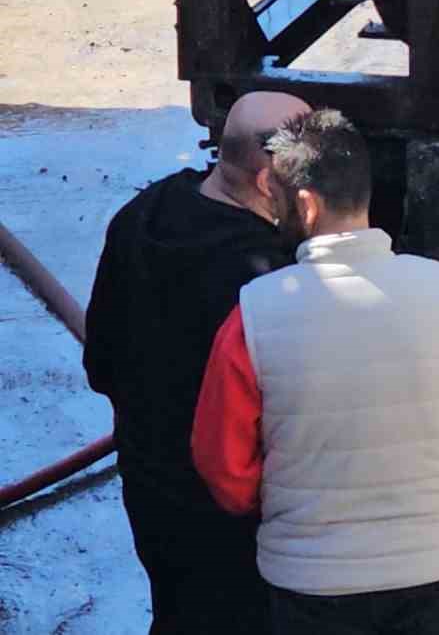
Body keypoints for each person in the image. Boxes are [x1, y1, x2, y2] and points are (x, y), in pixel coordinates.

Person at [189, 109, 439, 635]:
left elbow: (223, 464)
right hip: (437, 568)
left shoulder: (254, 314)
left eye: (279, 200)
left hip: (310, 582)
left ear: (306, 205)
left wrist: (290, 508)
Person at [84, 90, 310, 634]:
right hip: (229, 512)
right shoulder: (266, 281)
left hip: (149, 487)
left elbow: (101, 363)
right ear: (266, 182)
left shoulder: (143, 215)